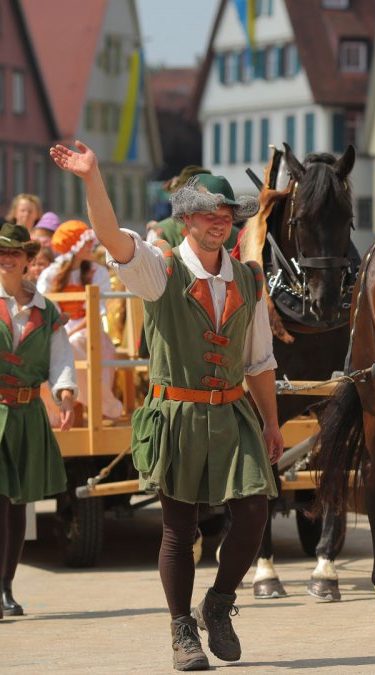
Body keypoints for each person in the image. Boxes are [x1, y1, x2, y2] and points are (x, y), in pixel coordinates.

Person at [51, 141, 283, 672]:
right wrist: (92, 177)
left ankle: (218, 604)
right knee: (181, 529)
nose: (217, 221)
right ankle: (182, 628)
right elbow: (111, 238)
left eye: (225, 213)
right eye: (206, 213)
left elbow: (260, 360)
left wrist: (271, 422)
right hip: (175, 414)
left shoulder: (248, 278)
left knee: (253, 513)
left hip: (233, 411)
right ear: (184, 221)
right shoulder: (160, 272)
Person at [0, 222, 76, 621]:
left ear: (29, 261)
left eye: (15, 252)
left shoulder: (46, 311)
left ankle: (6, 588)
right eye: (1, 252)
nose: (7, 258)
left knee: (17, 505)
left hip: (27, 413)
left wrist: (65, 395)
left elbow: (61, 357)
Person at [37, 220, 125, 420]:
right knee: (54, 349)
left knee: (78, 344)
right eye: (86, 242)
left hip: (89, 330)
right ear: (73, 247)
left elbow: (96, 313)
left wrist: (72, 332)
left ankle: (101, 404)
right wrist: (62, 332)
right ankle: (62, 412)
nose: (91, 246)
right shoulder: (51, 274)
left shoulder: (97, 272)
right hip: (59, 330)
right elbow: (49, 310)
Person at [149, 166, 241, 251]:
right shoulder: (163, 232)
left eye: (226, 216)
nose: (220, 224)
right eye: (209, 214)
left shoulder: (238, 236)